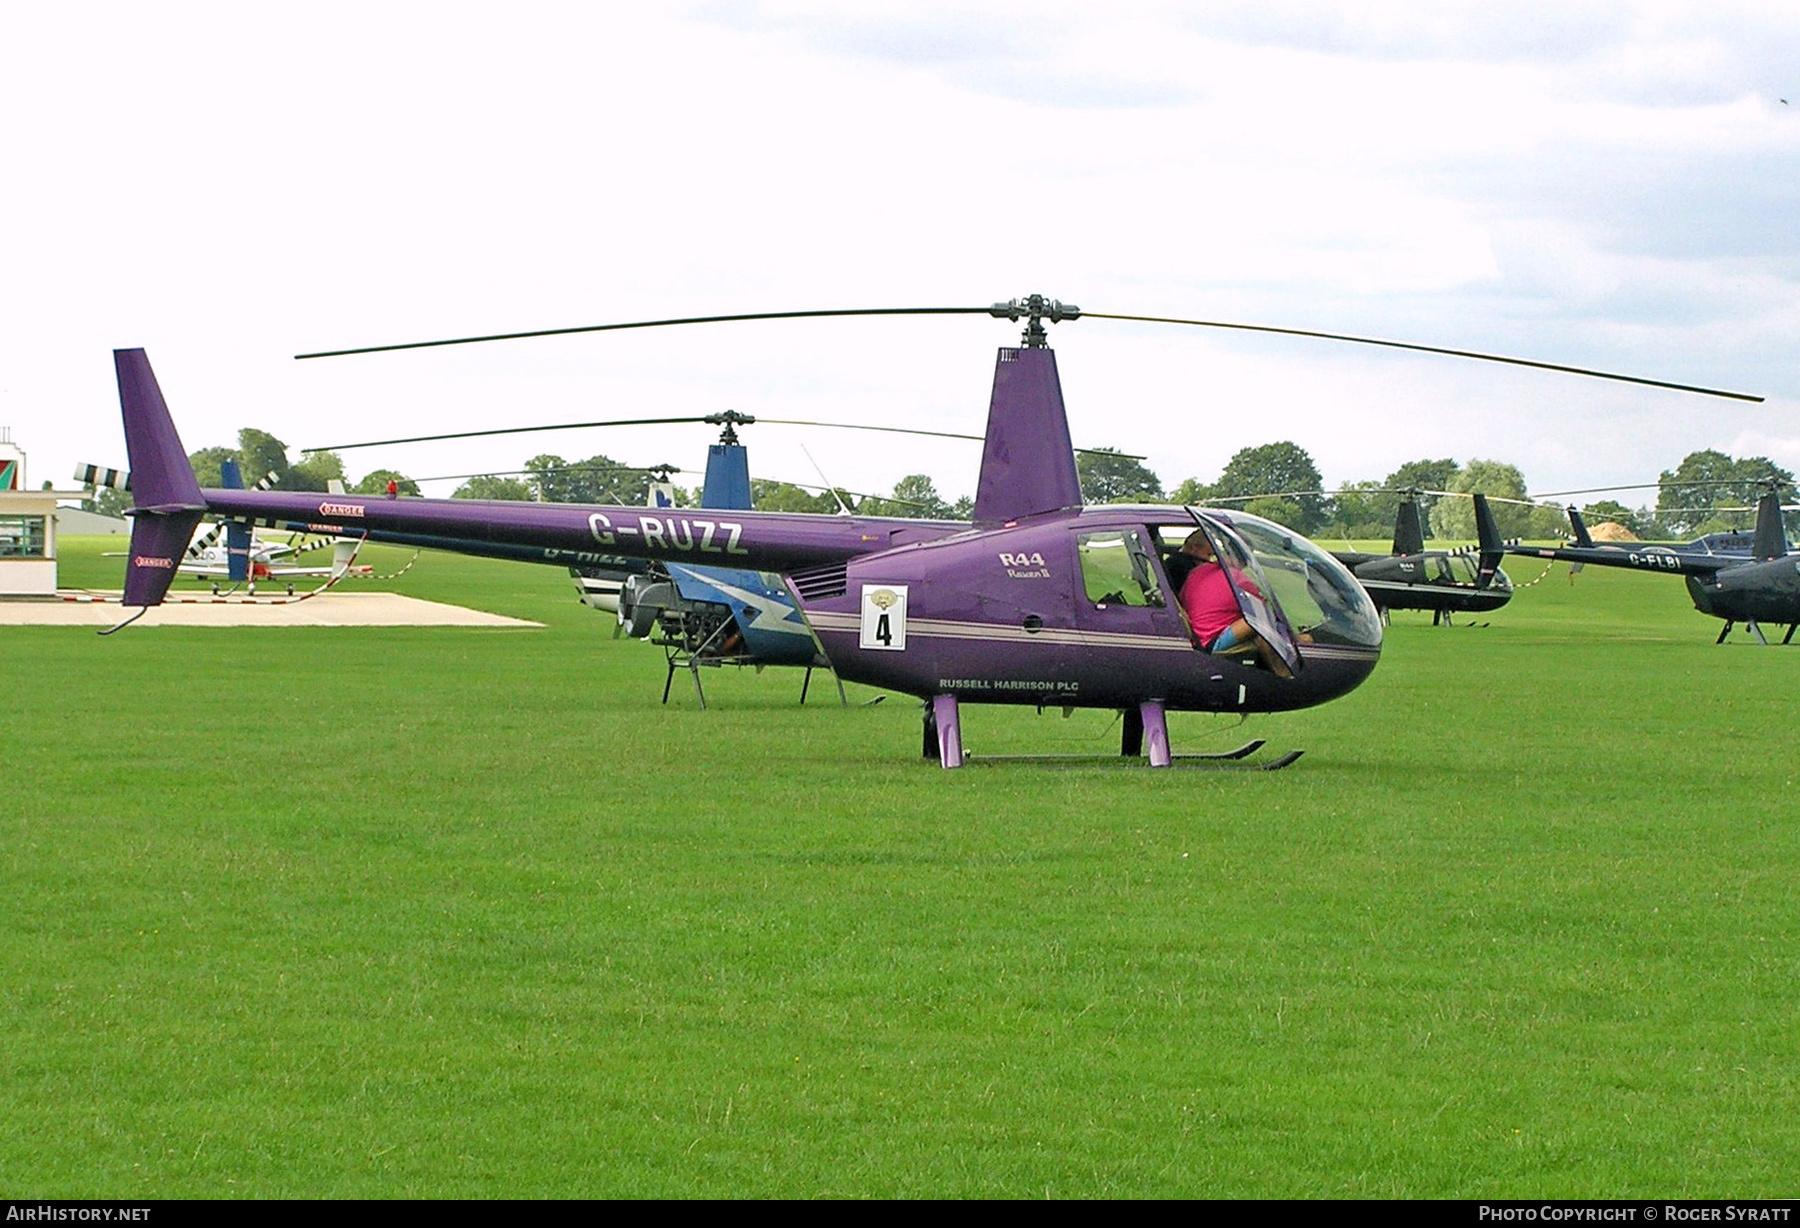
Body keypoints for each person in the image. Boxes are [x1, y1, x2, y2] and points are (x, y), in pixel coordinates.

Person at [1174, 529, 1293, 678]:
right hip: (1211, 642)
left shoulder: (1197, 571)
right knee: (1261, 618)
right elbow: (1264, 612)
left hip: (1195, 636)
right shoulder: (1240, 581)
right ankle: (1285, 675)